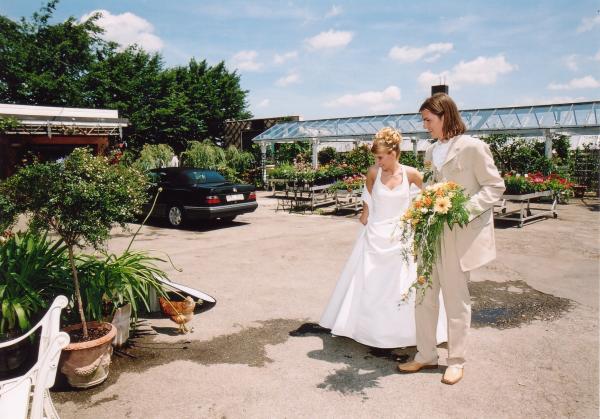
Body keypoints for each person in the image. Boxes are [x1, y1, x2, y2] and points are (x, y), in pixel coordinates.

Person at [398, 93, 505, 385]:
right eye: (423, 121)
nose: (425, 126)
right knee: (424, 296)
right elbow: (430, 187)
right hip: (431, 234)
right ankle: (425, 355)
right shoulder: (431, 151)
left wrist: (463, 211)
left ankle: (456, 361)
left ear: (445, 115)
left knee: (456, 301)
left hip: (459, 233)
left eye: (428, 120)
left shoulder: (473, 147)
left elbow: (495, 186)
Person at [319, 127, 447, 349]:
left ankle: (408, 333)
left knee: (402, 285)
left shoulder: (411, 174)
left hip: (402, 237)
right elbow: (368, 197)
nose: (377, 162)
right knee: (370, 283)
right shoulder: (373, 172)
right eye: (376, 158)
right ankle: (368, 330)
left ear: (393, 153)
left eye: (380, 157)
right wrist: (365, 213)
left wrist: (420, 217)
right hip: (375, 234)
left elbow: (431, 194)